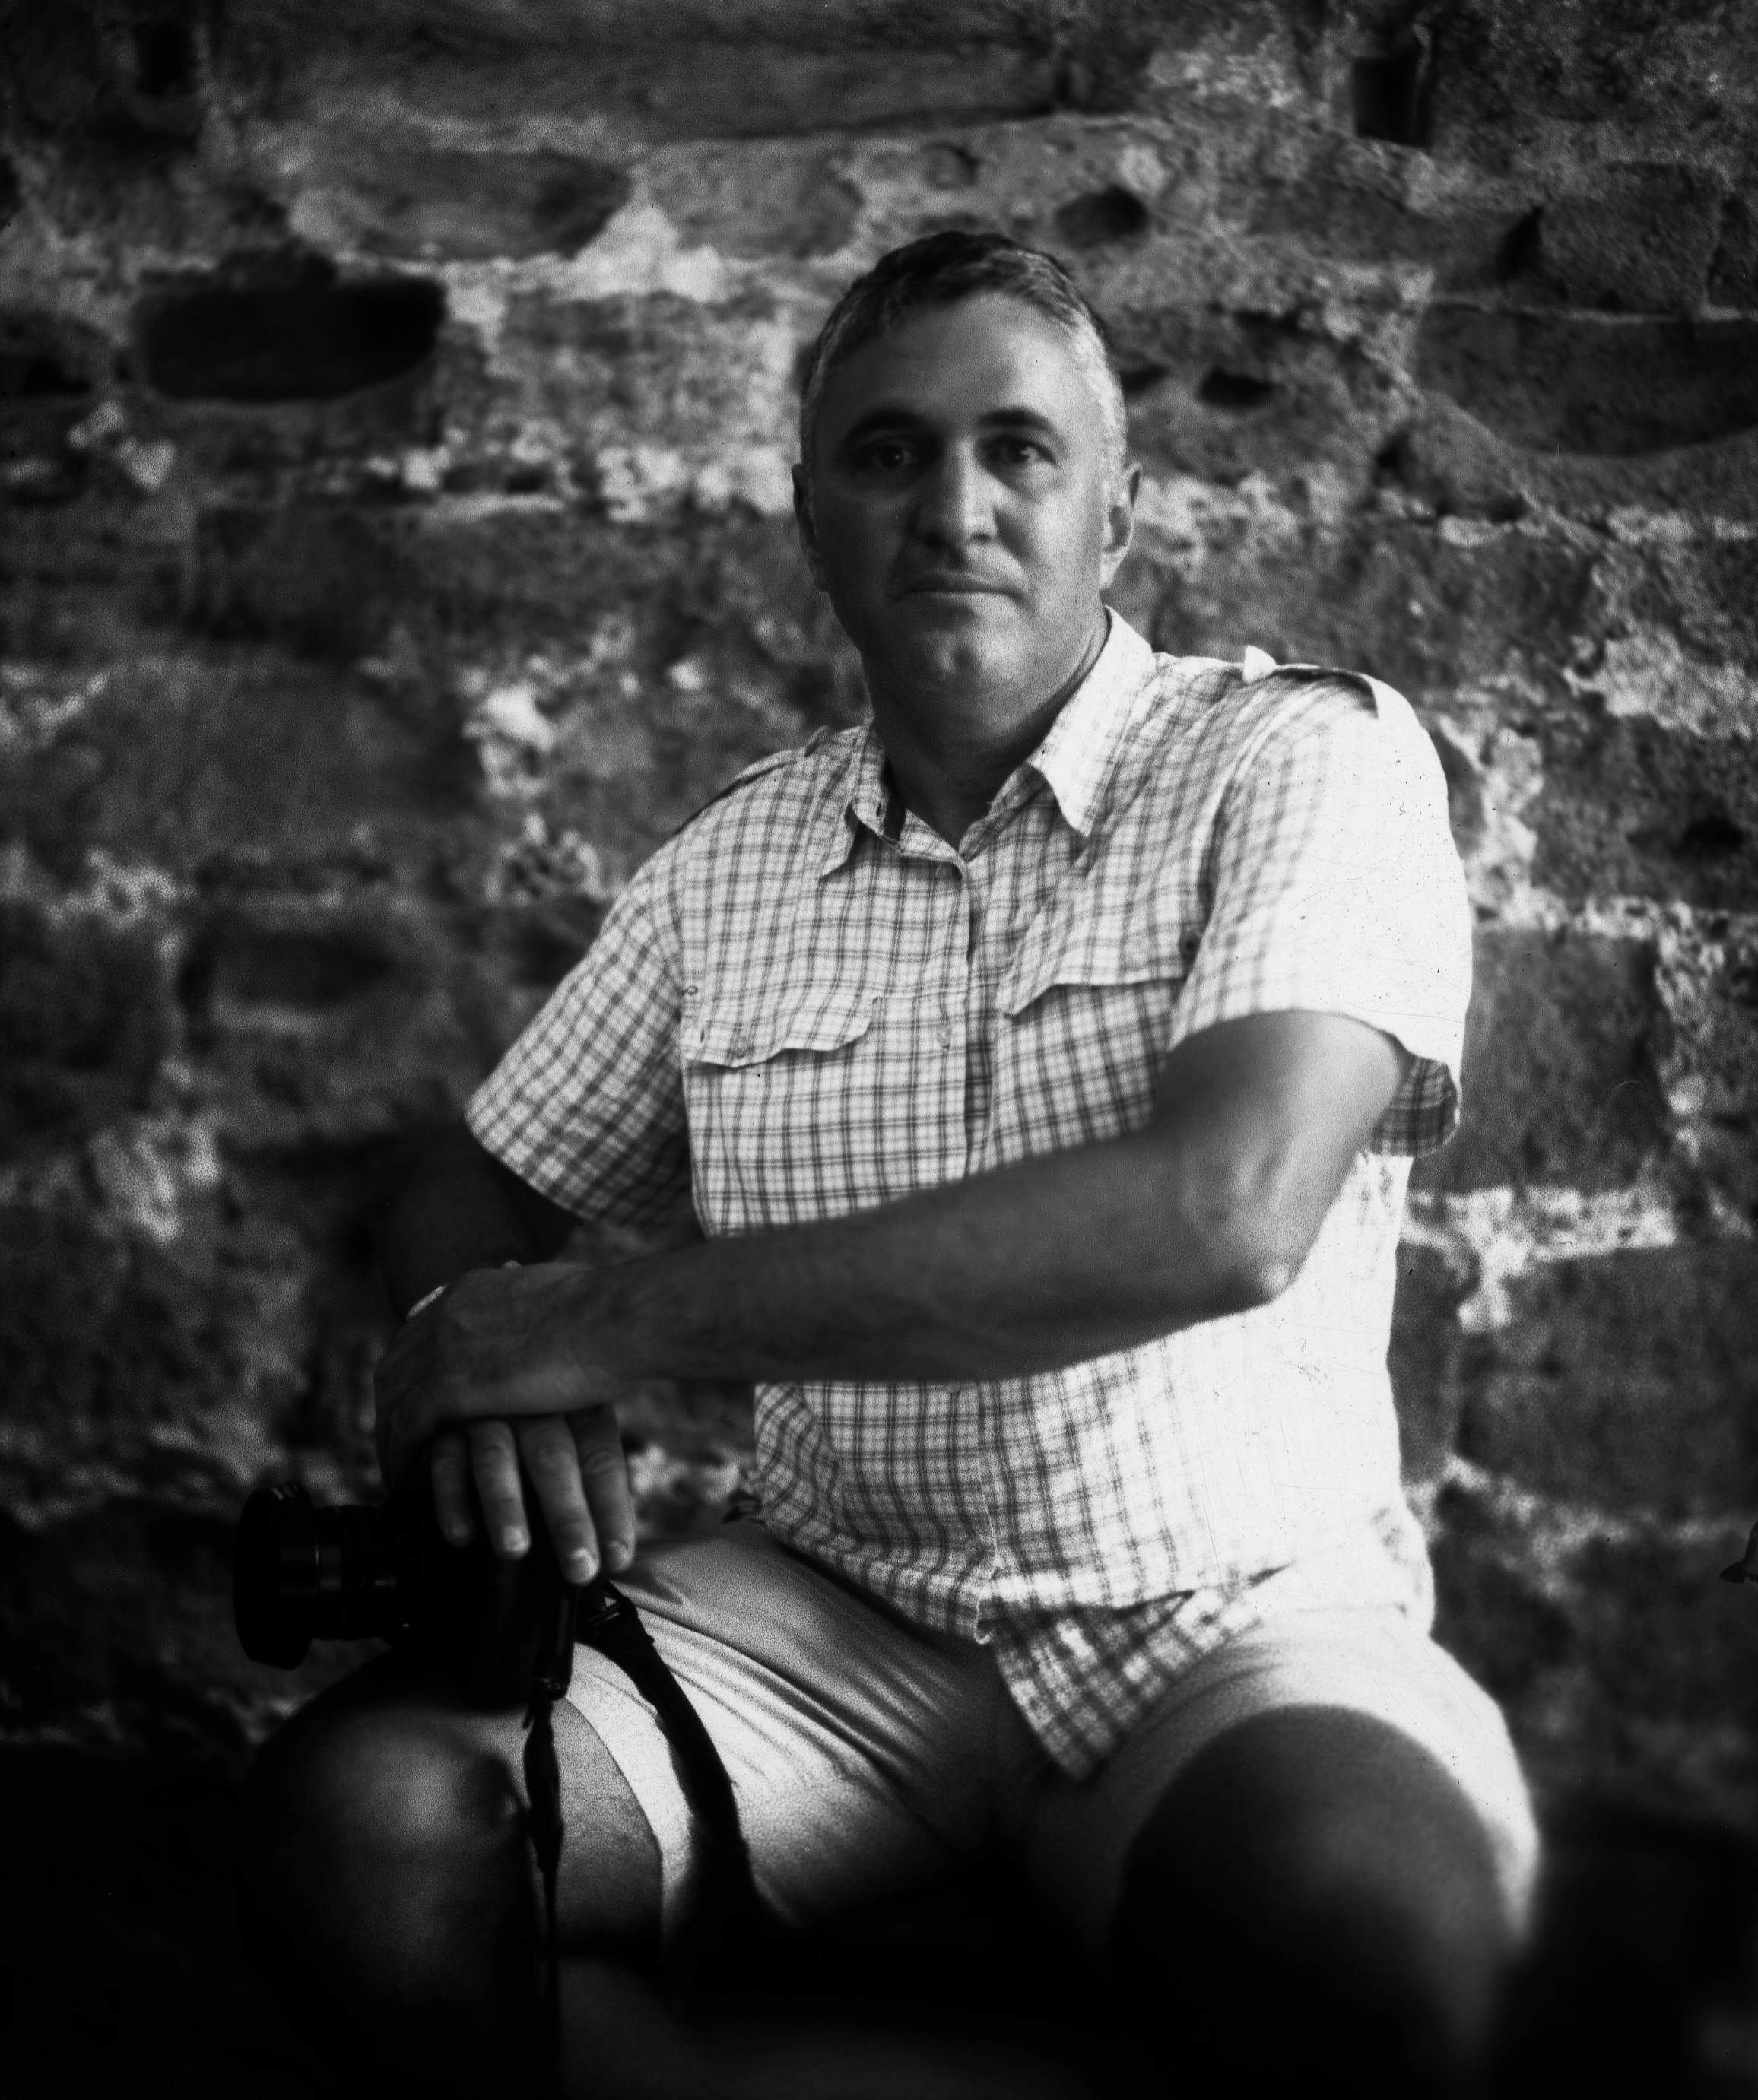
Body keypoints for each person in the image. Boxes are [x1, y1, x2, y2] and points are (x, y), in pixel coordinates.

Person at [246, 231, 1537, 2099]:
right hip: (828, 1617)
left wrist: (593, 1325)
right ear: (810, 517)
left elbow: (1224, 1212)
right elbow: (475, 1182)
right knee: (365, 1835)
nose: (953, 506)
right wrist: (478, 1338)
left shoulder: (1300, 761)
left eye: (1018, 449)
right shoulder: (731, 866)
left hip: (1227, 1614)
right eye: (886, 453)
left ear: (1117, 508)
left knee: (1368, 1934)